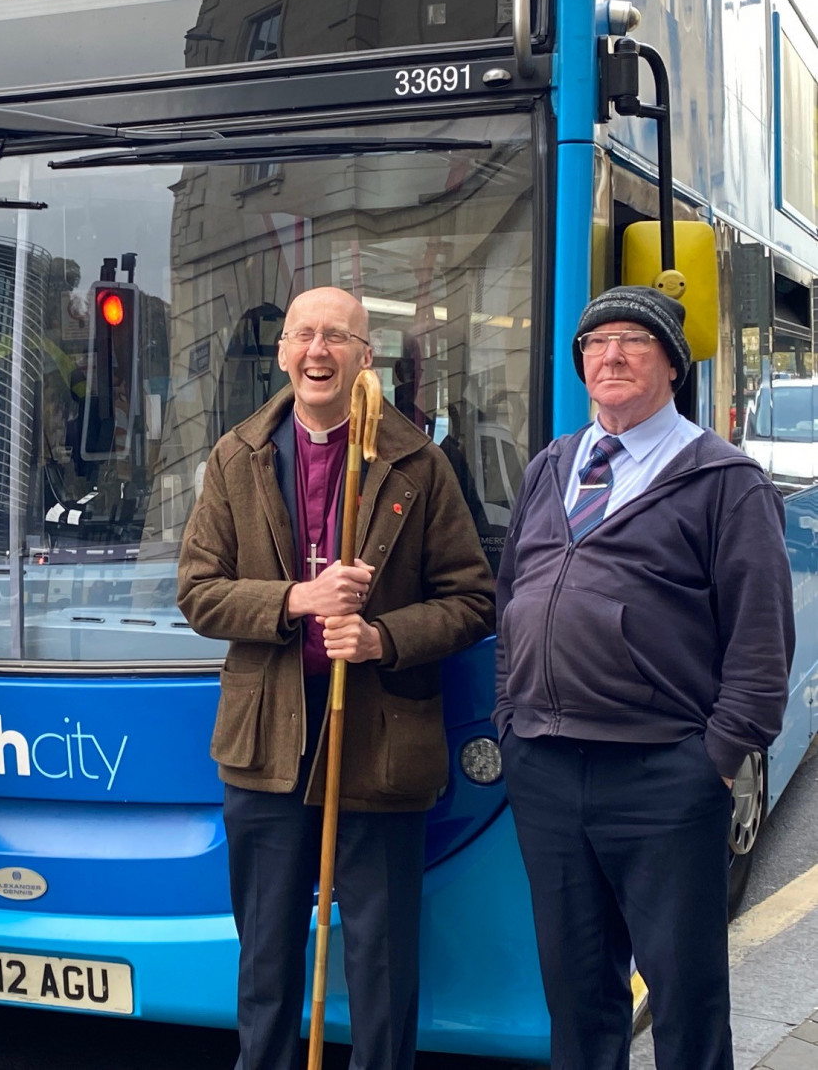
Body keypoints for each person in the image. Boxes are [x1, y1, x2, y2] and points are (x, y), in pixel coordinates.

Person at [177, 286, 495, 1070]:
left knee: (383, 966)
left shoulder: (417, 462)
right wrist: (297, 599)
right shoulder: (236, 454)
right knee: (266, 964)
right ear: (282, 350)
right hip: (265, 746)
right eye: (304, 335)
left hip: (379, 741)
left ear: (365, 357)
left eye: (338, 337)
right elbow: (198, 591)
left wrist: (382, 636)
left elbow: (474, 599)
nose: (318, 351)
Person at [493, 285, 795, 1070]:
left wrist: (714, 761)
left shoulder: (725, 480)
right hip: (548, 770)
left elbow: (762, 646)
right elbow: (510, 604)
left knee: (686, 1001)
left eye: (633, 340)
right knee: (578, 996)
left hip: (663, 773)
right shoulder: (552, 466)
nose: (611, 356)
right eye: (596, 343)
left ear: (672, 364)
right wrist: (511, 720)